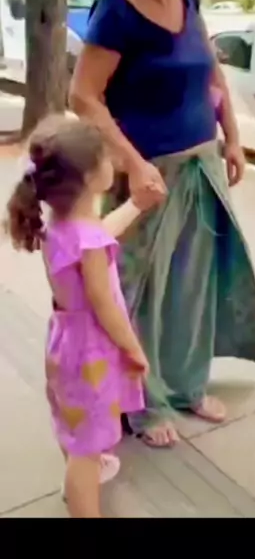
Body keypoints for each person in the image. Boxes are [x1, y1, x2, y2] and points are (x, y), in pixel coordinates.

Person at [69, 0, 255, 449]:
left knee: (192, 285)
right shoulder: (116, 14)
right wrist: (132, 164)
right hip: (146, 178)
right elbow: (83, 95)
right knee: (137, 292)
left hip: (202, 164)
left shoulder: (189, 0)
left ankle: (185, 385)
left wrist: (232, 138)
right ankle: (141, 400)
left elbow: (213, 74)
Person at [5, 115, 150, 518]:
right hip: (92, 350)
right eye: (106, 157)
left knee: (74, 425)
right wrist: (133, 348)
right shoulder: (89, 241)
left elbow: (98, 231)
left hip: (66, 343)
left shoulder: (60, 224)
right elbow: (104, 304)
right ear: (89, 177)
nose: (113, 162)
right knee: (85, 450)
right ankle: (83, 493)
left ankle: (81, 472)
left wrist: (136, 205)